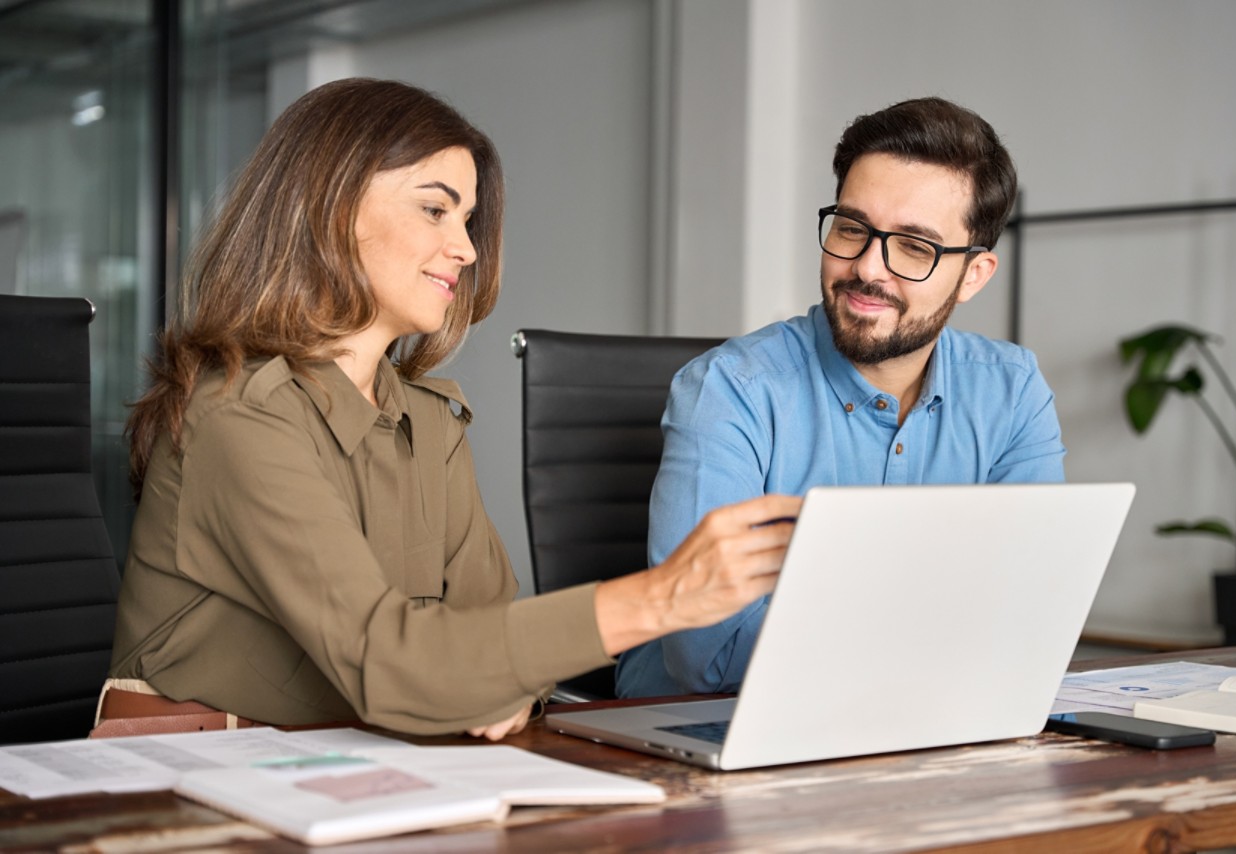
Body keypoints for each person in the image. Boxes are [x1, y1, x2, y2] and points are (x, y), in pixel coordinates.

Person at [100, 78, 799, 741]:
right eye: (435, 209)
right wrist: (660, 598)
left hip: (365, 760)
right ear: (327, 206)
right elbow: (394, 662)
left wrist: (488, 677)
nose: (465, 248)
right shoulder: (237, 416)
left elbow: (490, 640)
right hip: (195, 775)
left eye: (467, 219)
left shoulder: (428, 421)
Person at [615, 97, 1066, 698]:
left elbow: (1033, 618)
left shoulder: (1012, 392)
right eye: (852, 228)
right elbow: (709, 654)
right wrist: (942, 619)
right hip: (705, 732)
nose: (868, 268)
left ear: (974, 275)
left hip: (923, 724)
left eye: (914, 246)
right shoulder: (728, 391)